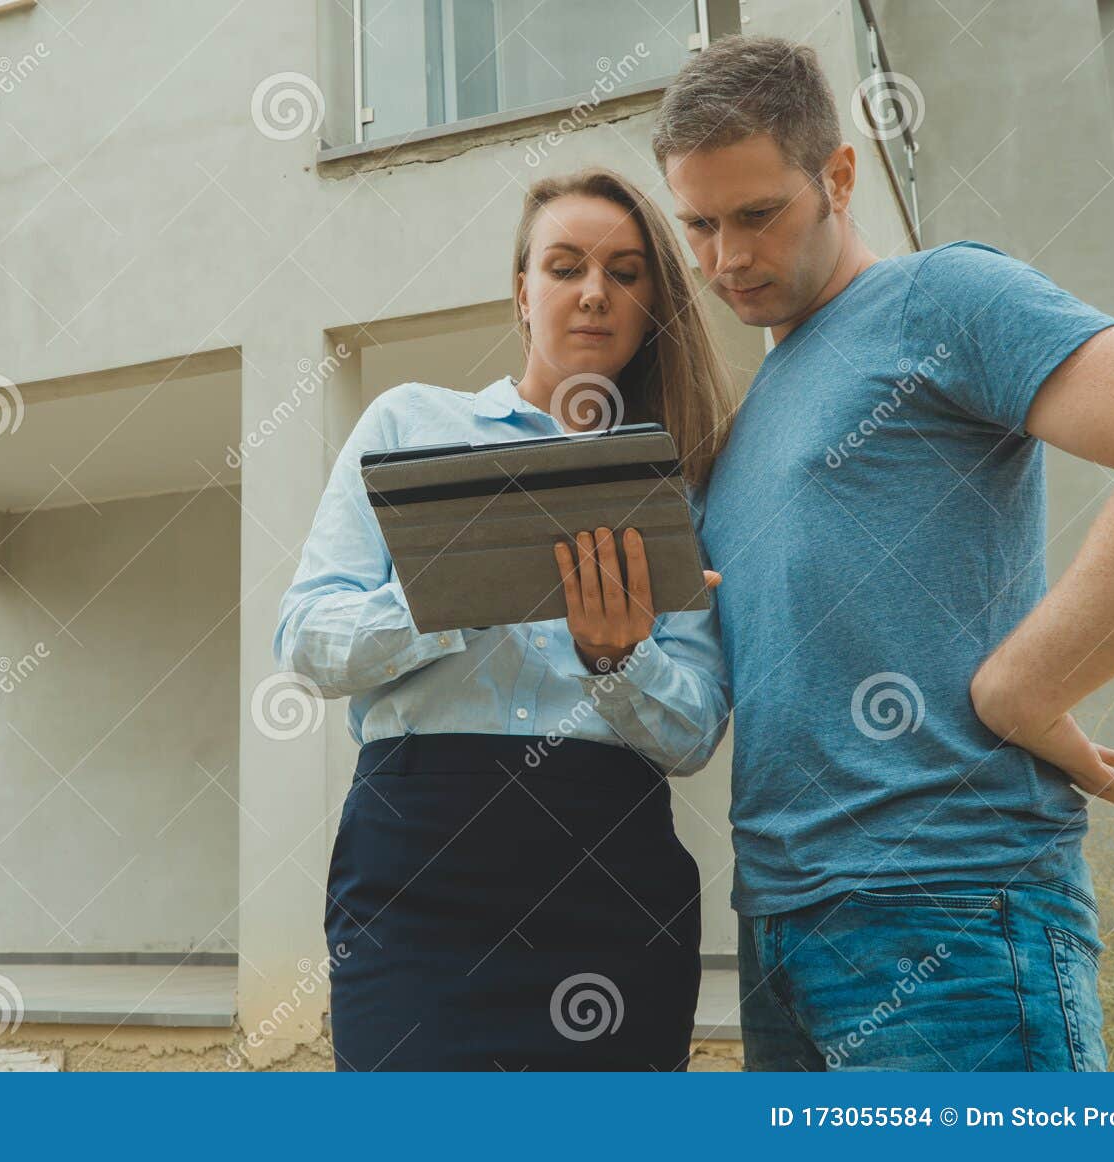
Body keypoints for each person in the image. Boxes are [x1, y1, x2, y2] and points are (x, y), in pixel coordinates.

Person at [650, 34, 1114, 1071]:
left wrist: (1023, 685)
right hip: (778, 932)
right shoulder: (745, 426)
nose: (724, 259)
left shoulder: (941, 299)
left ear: (837, 175)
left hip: (953, 914)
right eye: (696, 225)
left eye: (755, 215)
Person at [274, 166, 738, 1070]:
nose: (595, 292)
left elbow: (691, 735)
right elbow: (308, 643)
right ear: (522, 295)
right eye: (564, 267)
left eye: (626, 272)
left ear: (653, 306)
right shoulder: (409, 424)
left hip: (612, 878)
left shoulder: (674, 485)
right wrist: (456, 594)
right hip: (416, 873)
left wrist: (619, 662)